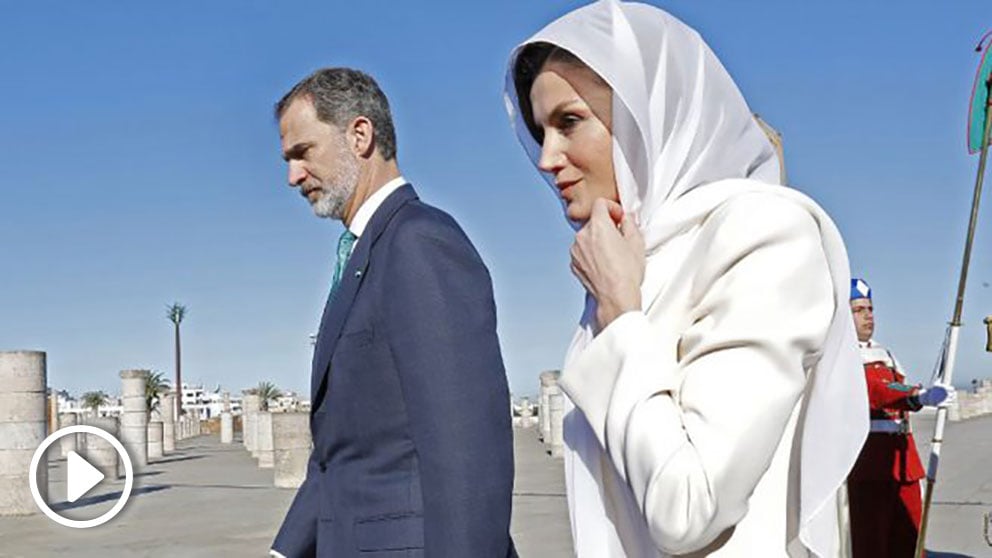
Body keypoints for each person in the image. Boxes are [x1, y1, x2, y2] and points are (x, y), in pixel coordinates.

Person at [503, 1, 868, 556]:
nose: (547, 157)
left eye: (569, 122)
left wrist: (621, 316)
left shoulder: (763, 232)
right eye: (539, 131)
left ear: (649, 116)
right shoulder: (639, 256)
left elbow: (688, 508)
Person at [270, 68, 516, 557]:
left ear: (360, 135)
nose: (292, 176)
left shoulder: (419, 242)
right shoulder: (366, 254)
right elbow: (340, 457)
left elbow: (467, 453)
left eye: (303, 153)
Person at [847, 278, 947, 557]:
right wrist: (918, 396)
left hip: (903, 462)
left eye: (870, 308)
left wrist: (924, 392)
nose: (869, 315)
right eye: (858, 310)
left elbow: (896, 385)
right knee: (873, 544)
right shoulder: (842, 357)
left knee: (910, 541)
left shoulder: (885, 354)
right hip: (871, 465)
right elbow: (878, 390)